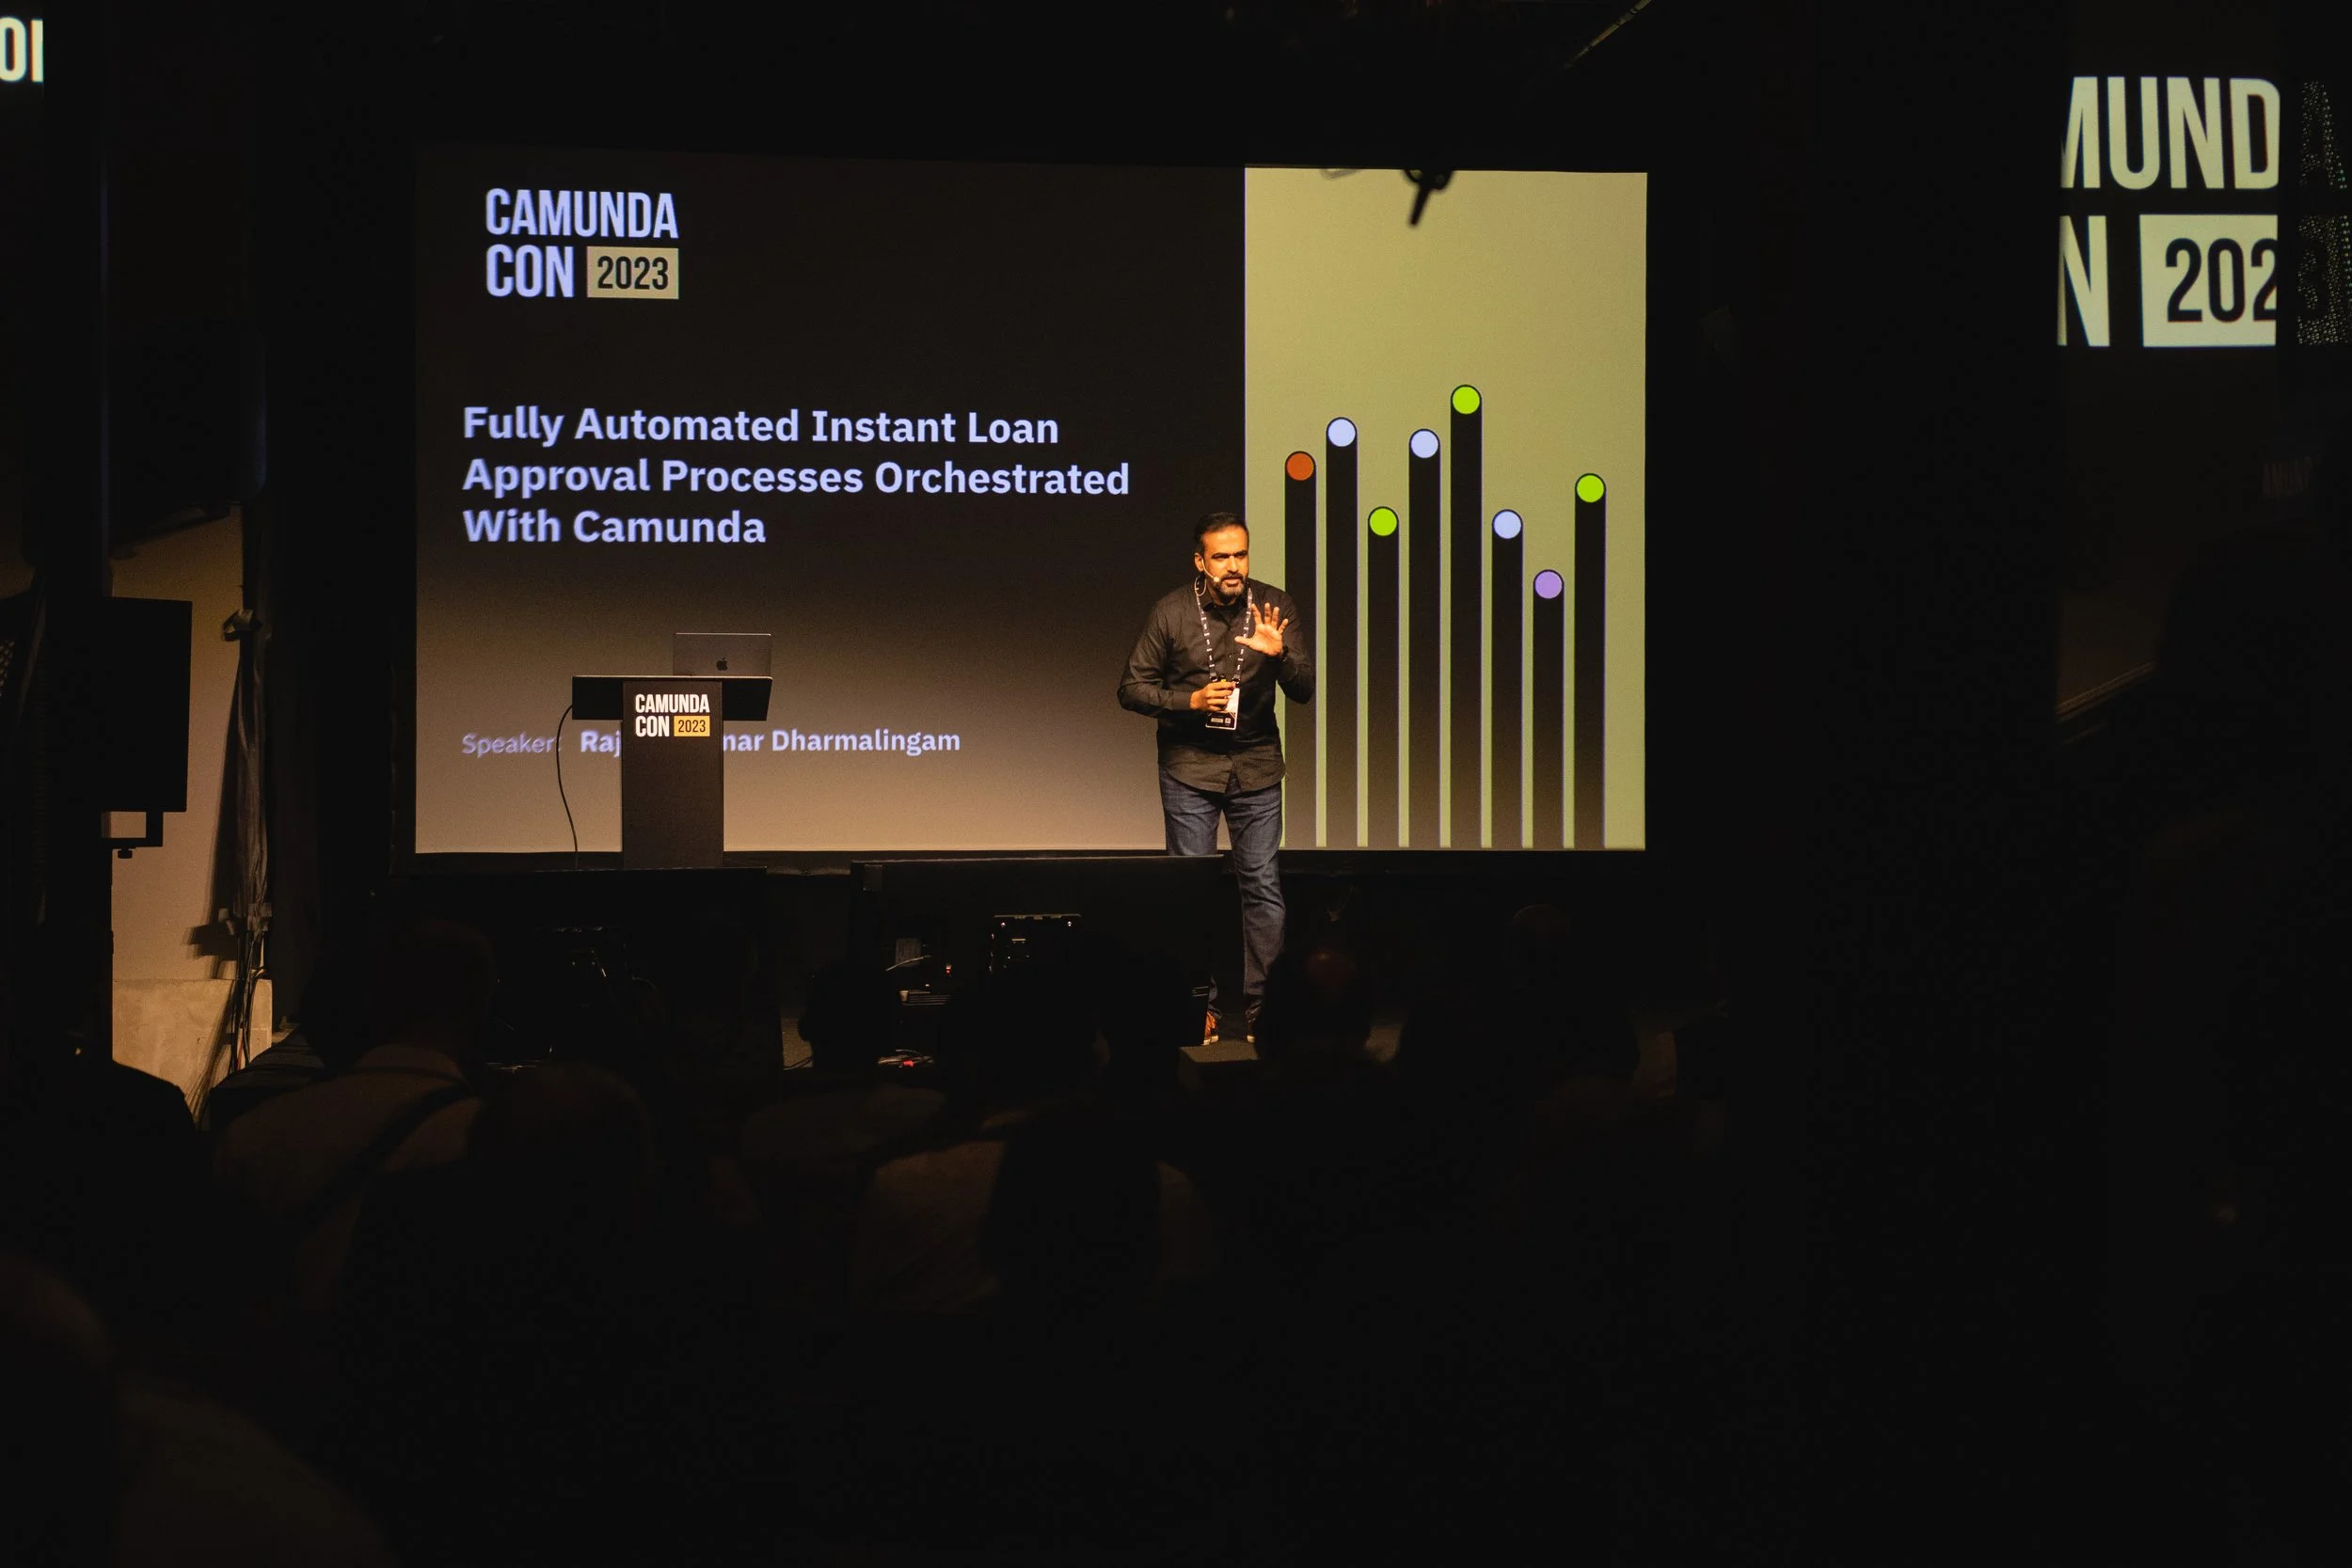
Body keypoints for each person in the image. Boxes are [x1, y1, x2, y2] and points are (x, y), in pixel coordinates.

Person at [1118, 510, 1314, 1043]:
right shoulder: (1172, 612)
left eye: (1240, 555)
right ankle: (1194, 1007)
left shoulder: (1274, 606)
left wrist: (1280, 656)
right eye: (1221, 556)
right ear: (1200, 562)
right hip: (1190, 766)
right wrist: (1190, 701)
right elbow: (1131, 688)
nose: (1233, 566)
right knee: (1190, 890)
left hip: (1256, 764)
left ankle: (1264, 1010)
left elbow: (1303, 689)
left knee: (1263, 887)